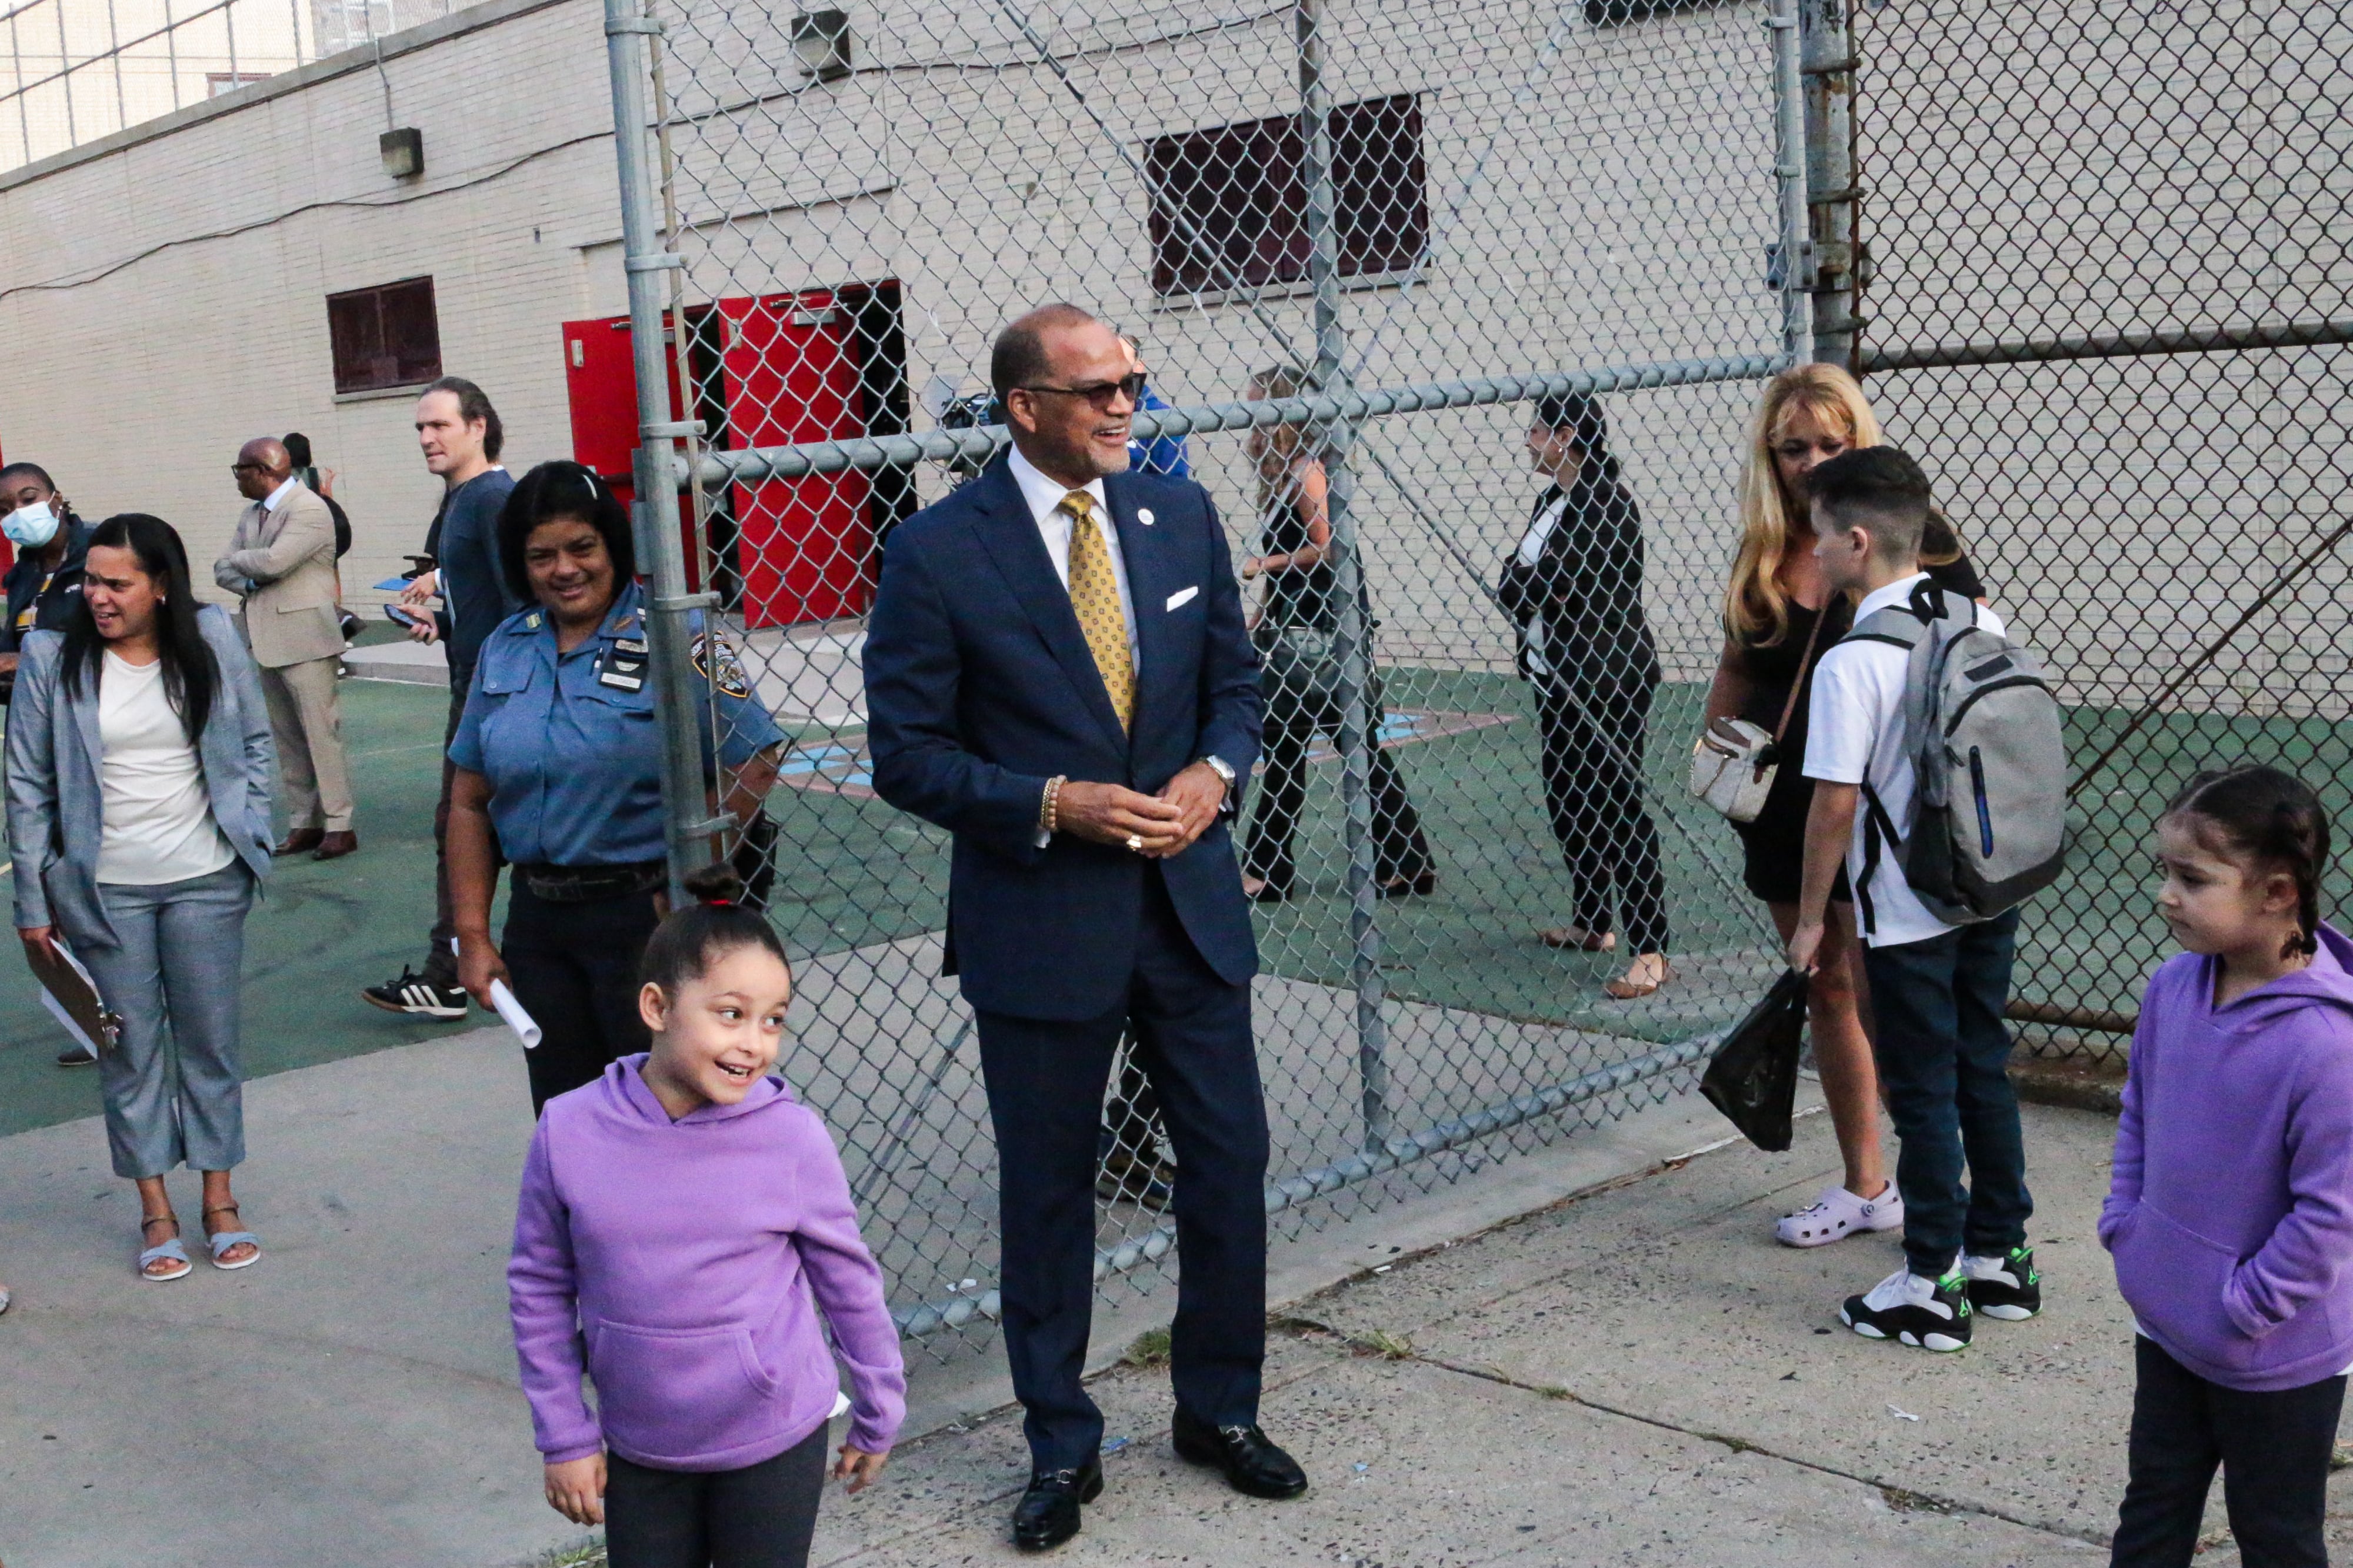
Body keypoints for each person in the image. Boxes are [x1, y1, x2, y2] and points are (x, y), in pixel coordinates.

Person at [865, 303, 1305, 1553]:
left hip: (1188, 910)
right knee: (1049, 1193)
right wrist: (1046, 803)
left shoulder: (1182, 516)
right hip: (1040, 920)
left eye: (1134, 381)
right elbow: (905, 755)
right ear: (1024, 407)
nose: (1127, 403)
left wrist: (1214, 775)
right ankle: (1060, 1441)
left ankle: (1218, 1410)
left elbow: (1233, 682)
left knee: (1227, 1163)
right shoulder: (939, 553)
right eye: (1099, 386)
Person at [509, 865, 905, 1568]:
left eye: (773, 1019)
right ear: (658, 1007)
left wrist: (879, 1403)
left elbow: (849, 1281)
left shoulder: (790, 1137)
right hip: (641, 1438)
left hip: (773, 1432)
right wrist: (565, 1433)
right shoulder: (569, 1129)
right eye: (730, 1013)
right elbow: (539, 1287)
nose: (755, 1041)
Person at [1705, 363, 1988, 1247]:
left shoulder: (1917, 537)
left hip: (1888, 802)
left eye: (1832, 444)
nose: (1811, 462)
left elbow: (1970, 647)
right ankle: (1867, 1183)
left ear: (1860, 441)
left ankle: (1939, 1182)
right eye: (1793, 448)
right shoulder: (1765, 548)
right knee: (1825, 983)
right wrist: (1716, 749)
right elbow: (1740, 663)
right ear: (1770, 454)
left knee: (1889, 993)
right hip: (1786, 802)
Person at [1789, 447, 2037, 1352]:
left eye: (1819, 536)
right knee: (1984, 1061)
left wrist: (1815, 915)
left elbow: (1836, 802)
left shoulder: (1854, 661)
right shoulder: (1979, 614)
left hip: (1907, 906)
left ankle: (1930, 1280)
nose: (1812, 552)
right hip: (1987, 883)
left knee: (1922, 1088)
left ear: (1857, 542)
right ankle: (2001, 1255)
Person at [449, 461, 784, 1115]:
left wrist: (694, 872)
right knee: (568, 1117)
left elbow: (757, 757)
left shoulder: (675, 635)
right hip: (539, 924)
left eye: (582, 547)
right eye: (541, 555)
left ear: (613, 545)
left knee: (667, 1113)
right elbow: (467, 800)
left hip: (643, 920)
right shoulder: (506, 647)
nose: (564, 569)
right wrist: (472, 934)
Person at [6, 515, 276, 1281]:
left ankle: (219, 1199)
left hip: (207, 879)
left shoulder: (210, 635)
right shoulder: (53, 656)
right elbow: (26, 784)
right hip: (104, 894)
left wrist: (249, 823)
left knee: (209, 1042)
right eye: (91, 579)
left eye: (117, 582)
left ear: (161, 586)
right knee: (128, 1053)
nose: (98, 595)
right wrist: (33, 898)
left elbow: (253, 739)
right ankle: (155, 1208)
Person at [2104, 766, 2353, 1568]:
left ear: (2278, 891)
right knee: (2154, 1504)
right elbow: (2140, 1109)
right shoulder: (2173, 987)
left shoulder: (2328, 1046)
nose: (2166, 895)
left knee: (2276, 1533)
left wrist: (2243, 1306)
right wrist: (2128, 1224)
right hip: (2168, 1320)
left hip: (2277, 1355)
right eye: (2164, 873)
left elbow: (2331, 1215)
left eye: (2193, 878)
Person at [1238, 363, 1434, 905]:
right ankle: (1408, 861)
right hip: (1306, 628)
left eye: (1257, 406)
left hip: (1320, 635)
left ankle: (1268, 870)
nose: (1248, 418)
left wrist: (1266, 564)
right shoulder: (1285, 476)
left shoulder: (1307, 473)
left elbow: (1330, 549)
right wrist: (1262, 610)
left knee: (1296, 748)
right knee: (1352, 747)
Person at [362, 379, 521, 1020]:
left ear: (478, 426)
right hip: (475, 687)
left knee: (470, 830)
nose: (427, 438)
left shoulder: (491, 500)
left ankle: (452, 970)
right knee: (463, 830)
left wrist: (505, 694)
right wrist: (445, 621)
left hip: (493, 695)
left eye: (440, 426)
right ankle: (452, 966)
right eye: (421, 429)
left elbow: (519, 606)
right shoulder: (460, 499)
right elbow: (481, 601)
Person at [1507, 392, 1668, 998]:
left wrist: (1525, 584)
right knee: (1566, 796)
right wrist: (1525, 585)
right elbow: (1517, 580)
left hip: (1606, 681)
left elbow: (1553, 583)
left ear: (1565, 434)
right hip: (1556, 678)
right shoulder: (1554, 499)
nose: (1527, 440)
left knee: (1618, 807)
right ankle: (1592, 919)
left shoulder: (1603, 503)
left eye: (1536, 430)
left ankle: (1650, 947)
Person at [214, 437, 355, 860]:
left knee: (320, 735)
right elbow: (223, 568)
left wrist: (246, 562)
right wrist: (251, 573)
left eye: (240, 470)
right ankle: (304, 822)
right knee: (288, 740)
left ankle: (340, 824)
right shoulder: (252, 513)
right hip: (266, 639)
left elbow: (277, 561)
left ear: (263, 471)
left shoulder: (309, 508)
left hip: (307, 639)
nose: (236, 478)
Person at [283, 432, 359, 641]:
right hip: (329, 535)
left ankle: (324, 635)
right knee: (330, 583)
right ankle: (338, 629)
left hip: (302, 539)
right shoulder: (312, 475)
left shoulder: (284, 479)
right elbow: (324, 506)